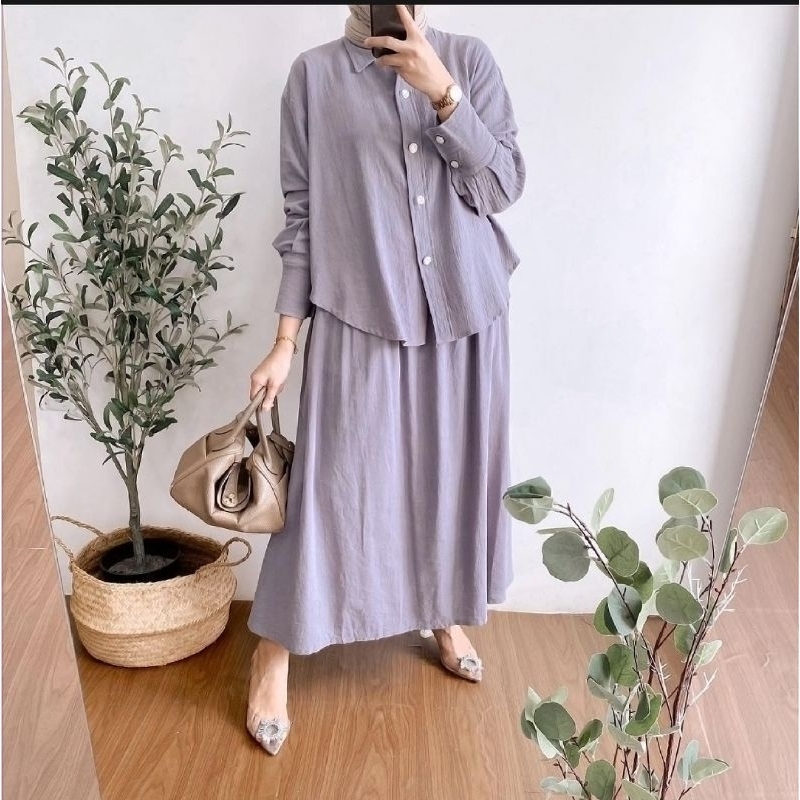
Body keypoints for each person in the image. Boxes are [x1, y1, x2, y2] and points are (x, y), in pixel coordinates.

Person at [245, 3, 525, 755]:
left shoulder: (469, 60)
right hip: (359, 308)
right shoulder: (313, 78)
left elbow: (502, 188)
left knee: (447, 480)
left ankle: (443, 613)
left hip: (465, 311)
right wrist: (284, 341)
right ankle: (273, 651)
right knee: (330, 489)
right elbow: (302, 219)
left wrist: (445, 94)